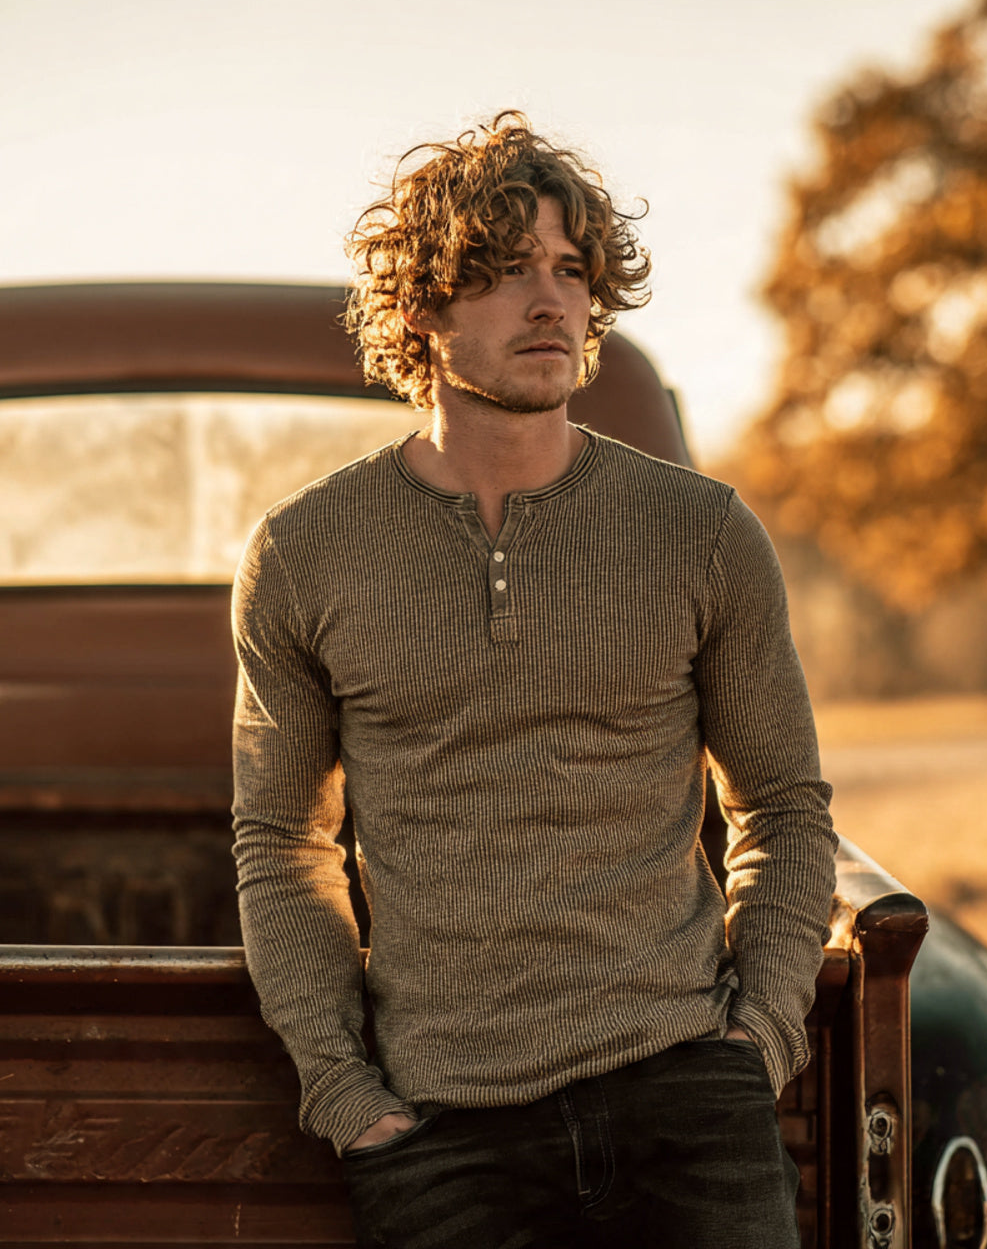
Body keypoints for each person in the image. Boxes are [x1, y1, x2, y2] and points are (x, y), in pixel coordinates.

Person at [231, 111, 838, 1249]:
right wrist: (348, 1096)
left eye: (569, 270)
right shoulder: (304, 552)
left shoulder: (700, 532)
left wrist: (757, 1036)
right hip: (444, 1138)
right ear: (420, 306)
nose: (551, 301)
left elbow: (784, 807)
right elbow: (282, 842)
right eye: (507, 271)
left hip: (684, 1101)